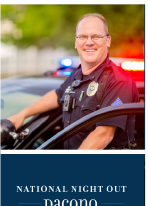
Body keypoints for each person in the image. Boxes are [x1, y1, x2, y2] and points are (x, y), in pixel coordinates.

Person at [6, 13, 139, 149]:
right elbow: (57, 95)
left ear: (108, 41)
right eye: (83, 36)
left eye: (96, 36)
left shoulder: (119, 80)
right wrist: (22, 115)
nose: (89, 42)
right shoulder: (76, 75)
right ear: (76, 42)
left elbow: (104, 134)